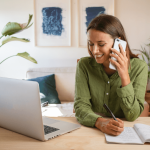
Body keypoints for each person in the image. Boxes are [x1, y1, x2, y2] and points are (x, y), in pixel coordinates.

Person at [74, 14, 148, 136]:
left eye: (101, 44)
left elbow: (132, 115)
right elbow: (81, 107)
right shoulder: (84, 65)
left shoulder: (139, 67)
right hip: (92, 130)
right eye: (91, 44)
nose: (94, 50)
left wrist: (124, 75)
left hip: (125, 133)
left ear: (118, 42)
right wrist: (100, 123)